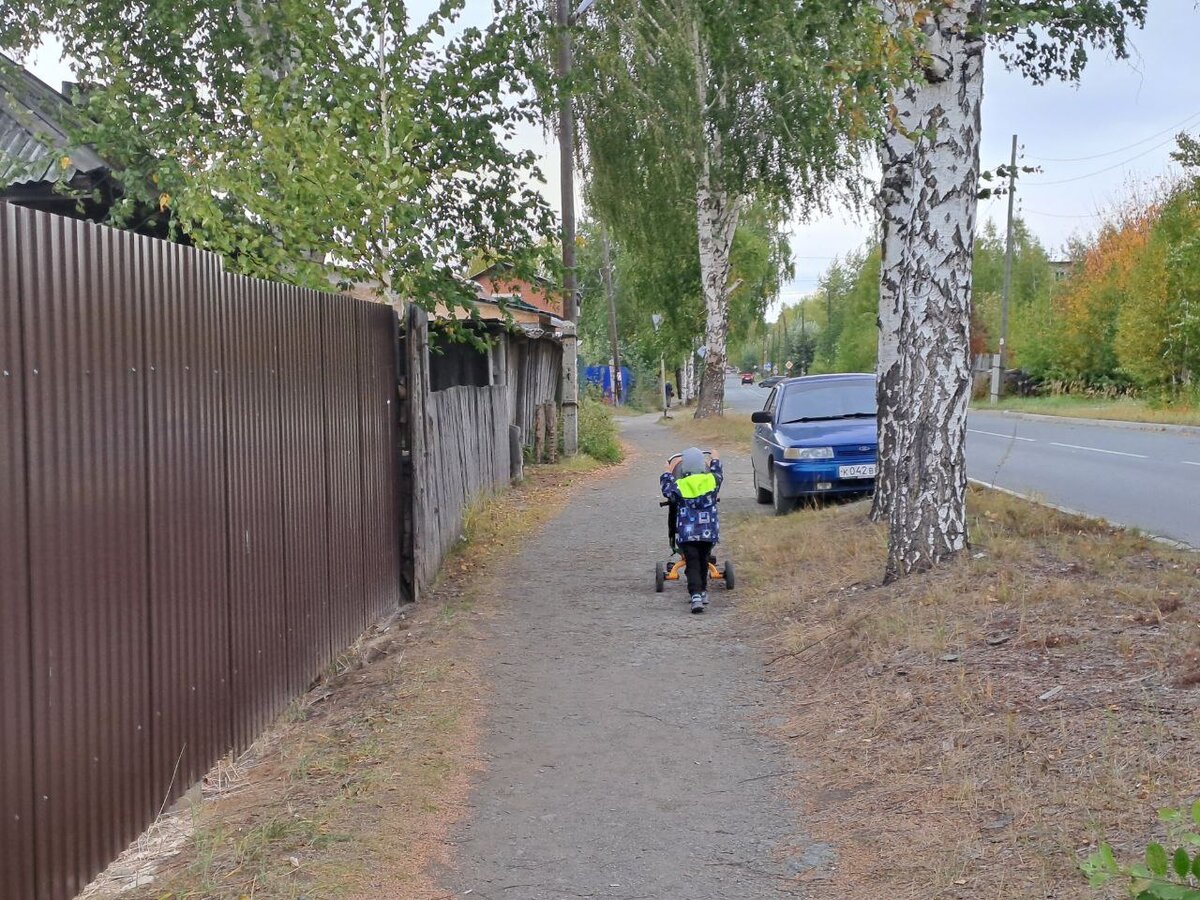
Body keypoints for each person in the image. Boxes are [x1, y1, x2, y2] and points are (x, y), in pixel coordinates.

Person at [660, 447, 723, 614]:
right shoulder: (711, 481)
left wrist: (667, 472)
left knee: (692, 562)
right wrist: (715, 459)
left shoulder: (680, 485)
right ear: (703, 467)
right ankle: (702, 591)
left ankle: (695, 594)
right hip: (709, 532)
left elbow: (667, 489)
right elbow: (718, 473)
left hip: (688, 534)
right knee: (703, 560)